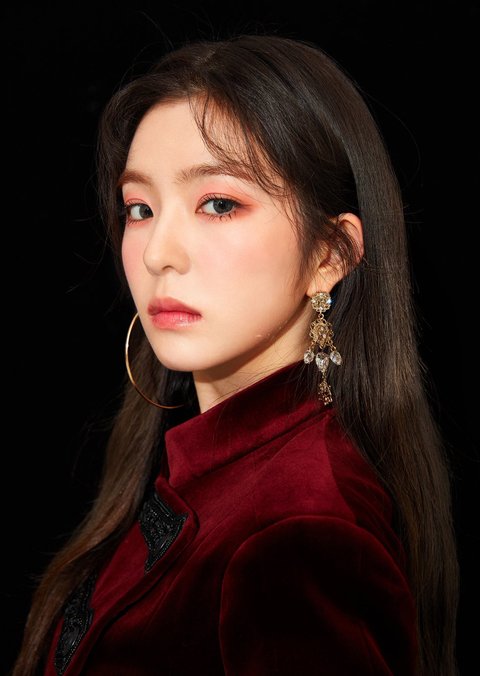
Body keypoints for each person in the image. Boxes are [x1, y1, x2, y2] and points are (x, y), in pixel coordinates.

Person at [13, 34, 459, 675]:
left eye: (219, 204)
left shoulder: (300, 534)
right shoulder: (205, 467)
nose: (159, 252)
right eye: (140, 208)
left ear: (330, 253)